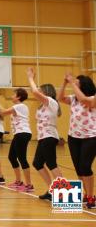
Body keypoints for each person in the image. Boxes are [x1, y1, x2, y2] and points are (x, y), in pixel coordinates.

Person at [27, 67, 64, 201]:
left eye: (42, 91)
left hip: (49, 136)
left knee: (51, 164)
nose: (39, 94)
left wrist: (31, 78)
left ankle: (63, 192)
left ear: (46, 92)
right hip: (43, 137)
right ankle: (52, 190)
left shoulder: (51, 102)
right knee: (37, 163)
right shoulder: (43, 106)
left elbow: (34, 91)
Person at [60, 73, 96, 209]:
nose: (74, 83)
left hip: (91, 137)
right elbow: (60, 98)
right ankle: (87, 194)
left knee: (86, 166)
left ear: (83, 84)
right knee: (79, 169)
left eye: (77, 82)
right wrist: (64, 83)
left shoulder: (93, 97)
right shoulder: (73, 98)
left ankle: (92, 196)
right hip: (73, 137)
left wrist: (72, 83)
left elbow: (85, 100)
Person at [0, 88, 34, 192]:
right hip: (19, 134)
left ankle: (29, 185)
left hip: (22, 133)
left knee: (22, 158)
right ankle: (19, 181)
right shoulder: (18, 107)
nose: (12, 96)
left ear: (19, 97)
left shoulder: (19, 106)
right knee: (12, 157)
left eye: (14, 94)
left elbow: (3, 112)